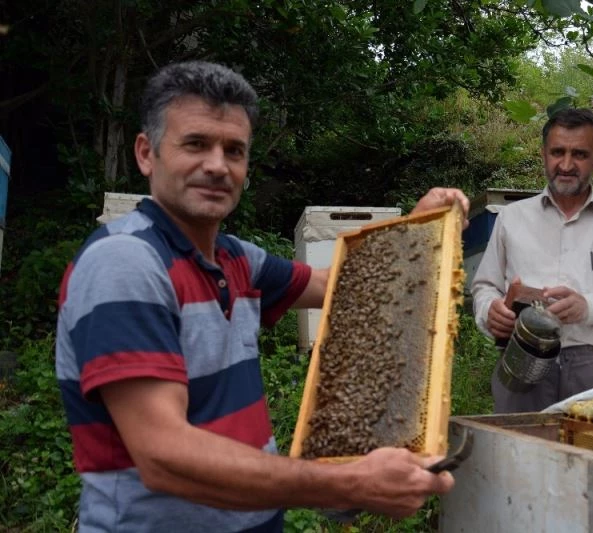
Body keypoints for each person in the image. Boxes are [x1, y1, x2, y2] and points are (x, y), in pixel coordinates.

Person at [55, 61, 468, 532]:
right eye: (196, 144)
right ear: (147, 154)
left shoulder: (236, 260)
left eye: (234, 150)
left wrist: (417, 232)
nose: (217, 165)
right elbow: (163, 456)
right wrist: (342, 482)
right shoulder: (125, 262)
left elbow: (349, 286)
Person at [471, 107, 593, 414]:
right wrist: (490, 312)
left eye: (579, 154)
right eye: (557, 152)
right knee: (521, 456)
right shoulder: (511, 218)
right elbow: (485, 287)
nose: (565, 164)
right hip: (521, 364)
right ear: (543, 155)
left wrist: (589, 307)